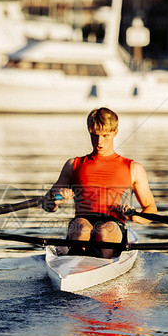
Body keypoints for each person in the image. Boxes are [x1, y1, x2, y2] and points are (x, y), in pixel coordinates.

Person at [43, 107, 157, 258]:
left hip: (113, 224)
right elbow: (46, 204)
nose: (99, 142)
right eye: (95, 135)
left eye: (105, 135)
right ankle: (75, 264)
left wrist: (133, 216)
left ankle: (103, 263)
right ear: (89, 131)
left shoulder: (133, 168)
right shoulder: (73, 165)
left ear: (115, 132)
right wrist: (57, 200)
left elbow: (151, 210)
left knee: (105, 230)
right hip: (82, 222)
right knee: (82, 228)